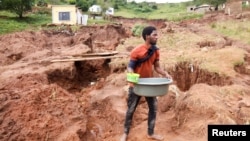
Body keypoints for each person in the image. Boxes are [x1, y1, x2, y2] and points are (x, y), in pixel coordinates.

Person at [120, 26, 172, 141]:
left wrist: (165, 74)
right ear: (147, 36)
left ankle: (150, 133)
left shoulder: (156, 50)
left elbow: (157, 67)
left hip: (149, 85)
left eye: (157, 35)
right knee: (131, 109)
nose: (157, 37)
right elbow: (130, 67)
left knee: (153, 108)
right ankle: (125, 133)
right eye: (154, 35)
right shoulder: (136, 51)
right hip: (136, 85)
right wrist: (132, 76)